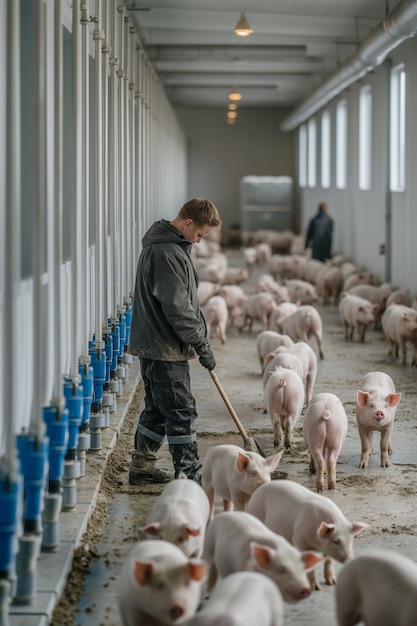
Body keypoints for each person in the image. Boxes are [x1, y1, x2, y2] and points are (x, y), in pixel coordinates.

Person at [127, 198, 222, 484]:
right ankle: (189, 474)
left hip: (158, 345)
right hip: (164, 347)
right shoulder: (166, 254)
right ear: (188, 223)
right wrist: (201, 344)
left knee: (157, 409)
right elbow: (179, 309)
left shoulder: (168, 248)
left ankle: (142, 469)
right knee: (181, 410)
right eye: (200, 235)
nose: (200, 241)